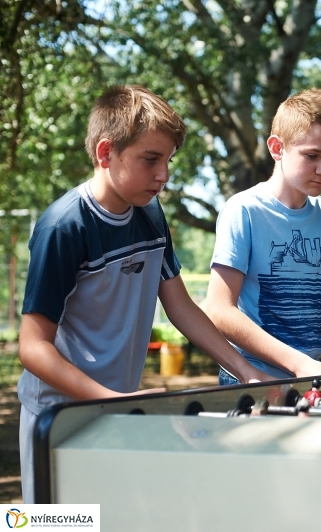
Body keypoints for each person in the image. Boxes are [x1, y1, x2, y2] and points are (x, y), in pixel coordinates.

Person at [15, 85, 273, 503]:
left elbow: (180, 306)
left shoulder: (150, 214)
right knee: (57, 526)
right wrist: (112, 400)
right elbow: (32, 348)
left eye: (168, 161)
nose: (164, 176)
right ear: (105, 153)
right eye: (150, 159)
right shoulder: (64, 227)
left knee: (112, 520)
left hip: (116, 409)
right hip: (59, 414)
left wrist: (246, 370)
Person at [206, 88, 321, 382]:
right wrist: (297, 363)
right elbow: (219, 310)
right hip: (250, 379)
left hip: (307, 379)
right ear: (277, 148)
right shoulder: (243, 209)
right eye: (312, 155)